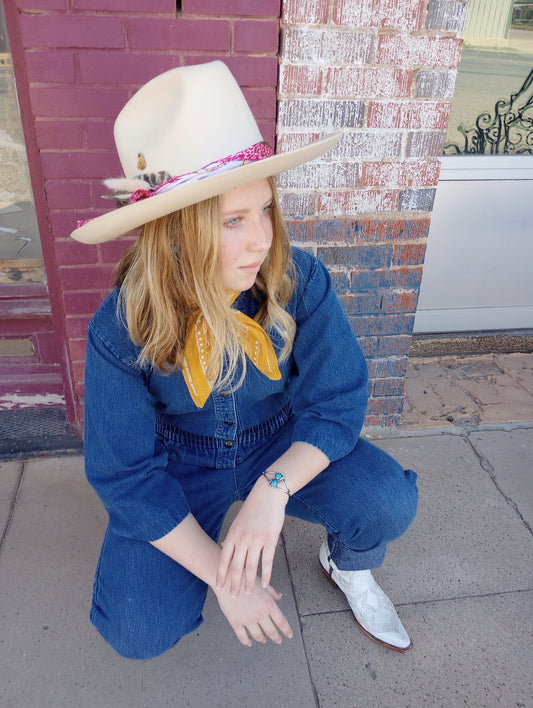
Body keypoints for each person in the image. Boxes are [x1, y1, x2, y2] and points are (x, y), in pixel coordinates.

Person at [71, 61, 418, 660]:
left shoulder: (294, 278)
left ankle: (346, 564)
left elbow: (338, 399)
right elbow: (124, 473)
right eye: (234, 220)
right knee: (137, 629)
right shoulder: (123, 325)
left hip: (276, 442)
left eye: (264, 210)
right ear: (176, 233)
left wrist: (273, 490)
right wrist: (224, 576)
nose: (262, 238)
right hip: (179, 463)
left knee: (386, 501)